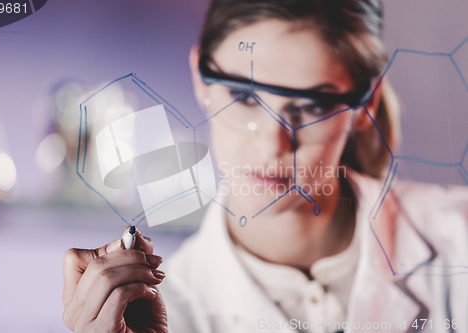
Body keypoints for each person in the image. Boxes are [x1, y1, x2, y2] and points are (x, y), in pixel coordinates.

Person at [62, 1, 468, 332]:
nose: (272, 143)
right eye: (245, 97)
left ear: (366, 106)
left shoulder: (459, 236)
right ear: (202, 79)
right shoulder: (163, 315)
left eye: (311, 105)